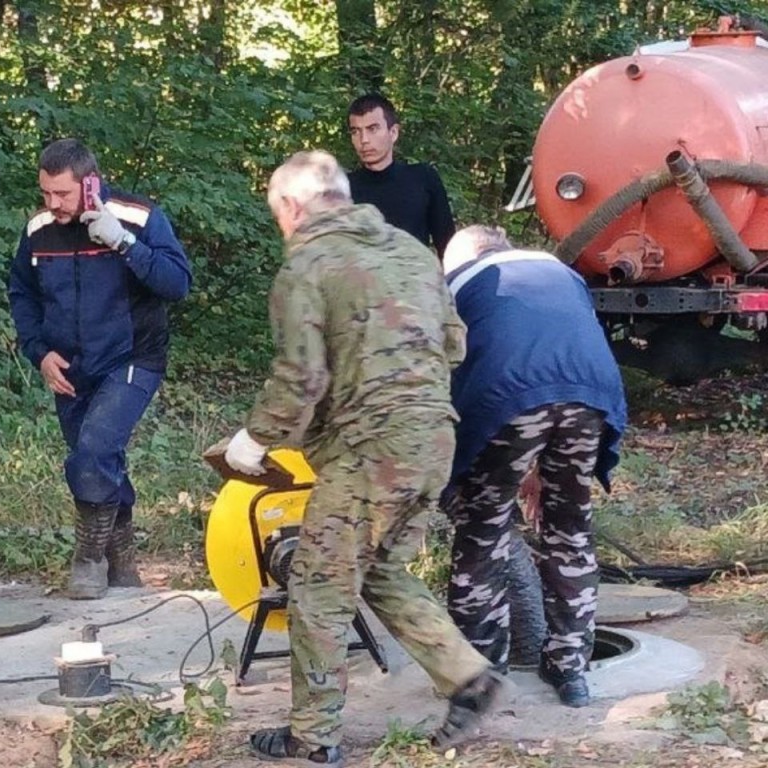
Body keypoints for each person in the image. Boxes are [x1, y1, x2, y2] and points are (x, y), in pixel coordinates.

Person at [223, 150, 505, 765]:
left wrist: (255, 439)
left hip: (370, 449)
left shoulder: (308, 264)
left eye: (277, 213)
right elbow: (454, 343)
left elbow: (300, 378)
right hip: (434, 437)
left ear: (292, 206)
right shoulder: (410, 251)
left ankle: (313, 737)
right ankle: (468, 678)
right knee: (378, 571)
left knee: (319, 588)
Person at [441, 225, 627, 708]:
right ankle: (571, 673)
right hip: (591, 395)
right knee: (569, 530)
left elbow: (451, 376)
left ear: (467, 256)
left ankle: (481, 676)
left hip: (506, 396)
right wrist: (537, 464)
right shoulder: (560, 272)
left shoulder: (459, 282)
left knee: (483, 532)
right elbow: (558, 352)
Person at [8, 138, 192, 599]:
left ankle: (88, 558)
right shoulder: (38, 229)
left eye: (62, 195)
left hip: (133, 357)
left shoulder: (140, 217)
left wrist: (123, 243)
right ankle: (122, 559)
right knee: (98, 459)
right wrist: (39, 352)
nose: (53, 204)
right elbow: (22, 293)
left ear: (90, 184)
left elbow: (177, 283)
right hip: (70, 366)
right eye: (45, 194)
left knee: (93, 450)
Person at [346, 93, 456, 257]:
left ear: (393, 133)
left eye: (372, 129)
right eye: (356, 131)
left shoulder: (423, 179)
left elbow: (447, 246)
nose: (364, 140)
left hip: (417, 279)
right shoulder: (344, 189)